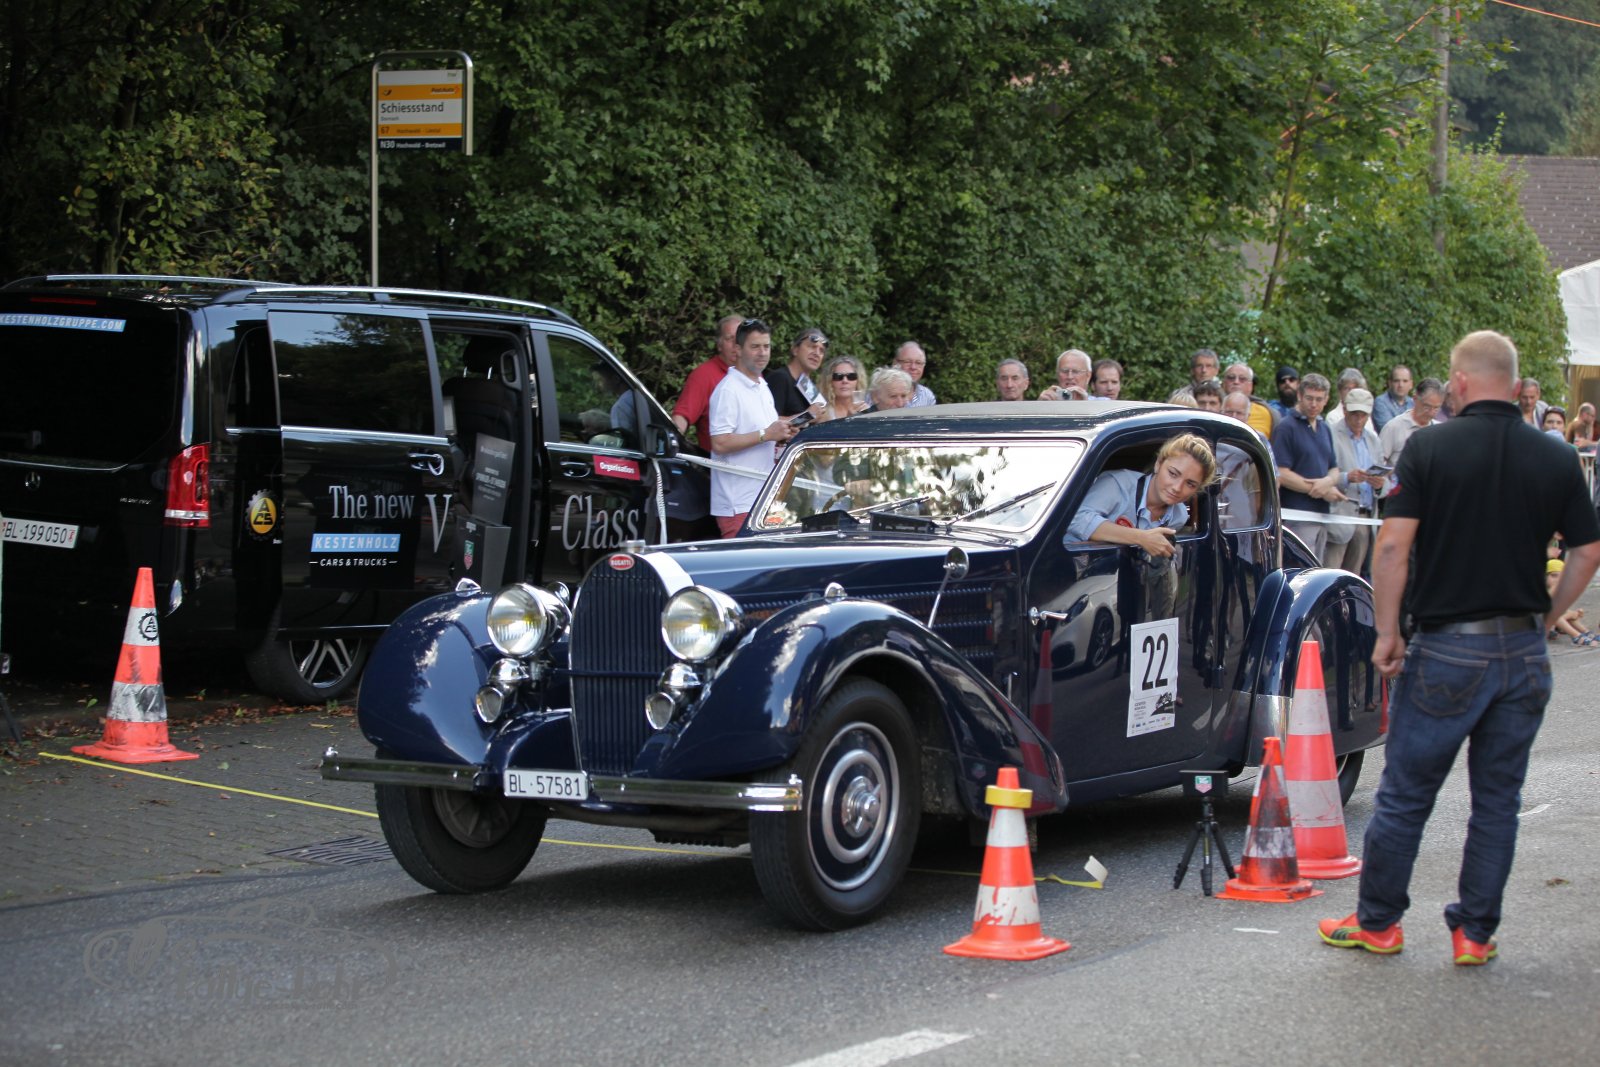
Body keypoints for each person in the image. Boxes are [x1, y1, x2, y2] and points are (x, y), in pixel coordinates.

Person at [1319, 329, 1600, 964]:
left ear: (1462, 382)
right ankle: (1474, 933)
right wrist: (1548, 616)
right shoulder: (1555, 455)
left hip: (1447, 648)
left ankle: (1379, 923)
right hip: (1522, 650)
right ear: (1517, 385)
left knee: (1406, 795)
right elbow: (1587, 551)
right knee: (1497, 801)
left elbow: (1393, 546)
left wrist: (1387, 632)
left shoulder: (1430, 447)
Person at [707, 318, 794, 537]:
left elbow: (764, 434)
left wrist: (782, 434)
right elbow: (719, 443)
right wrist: (767, 434)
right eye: (755, 346)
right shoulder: (728, 390)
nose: (762, 353)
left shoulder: (762, 385)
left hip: (765, 499)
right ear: (737, 349)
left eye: (766, 346)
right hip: (738, 505)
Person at [1064, 433, 1216, 554]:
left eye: (1190, 484)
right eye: (1173, 474)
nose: (1177, 488)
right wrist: (1141, 538)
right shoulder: (1117, 483)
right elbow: (1075, 519)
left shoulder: (1179, 516)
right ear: (1158, 464)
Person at [1271, 372, 1344, 560]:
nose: (1314, 404)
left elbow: (1334, 468)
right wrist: (1317, 489)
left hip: (1322, 515)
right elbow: (1281, 473)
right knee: (1299, 569)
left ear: (1326, 400)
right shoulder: (1286, 427)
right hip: (1296, 516)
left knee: (1317, 568)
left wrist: (1328, 483)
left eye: (1319, 399)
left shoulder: (1324, 428)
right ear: (1299, 396)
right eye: (1309, 398)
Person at [1324, 387, 1383, 576]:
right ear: (1345, 410)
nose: (1358, 419)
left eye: (1363, 415)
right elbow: (1321, 474)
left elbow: (1384, 478)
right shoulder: (1330, 433)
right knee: (1329, 574)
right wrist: (1346, 477)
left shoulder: (1373, 440)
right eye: (1354, 414)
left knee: (1353, 577)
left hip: (1365, 518)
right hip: (1339, 516)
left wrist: (1379, 485)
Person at [672, 314, 742, 443]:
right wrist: (670, 444)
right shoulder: (703, 375)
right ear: (719, 345)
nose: (735, 344)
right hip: (718, 454)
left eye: (740, 339)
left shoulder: (754, 375)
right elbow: (681, 417)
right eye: (730, 339)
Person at [1378, 377, 1444, 481]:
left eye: (1436, 408)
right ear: (1415, 398)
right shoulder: (1394, 427)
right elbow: (1377, 465)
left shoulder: (1440, 430)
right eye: (1427, 407)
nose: (1431, 413)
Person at [764, 327, 829, 418]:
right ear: (795, 350)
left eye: (821, 351)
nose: (817, 353)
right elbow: (769, 420)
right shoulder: (779, 378)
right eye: (812, 347)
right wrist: (807, 416)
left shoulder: (809, 385)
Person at [1545, 559, 1598, 644]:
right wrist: (1572, 614)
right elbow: (1549, 614)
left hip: (1549, 626)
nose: (1557, 580)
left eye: (1561, 577)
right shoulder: (1541, 591)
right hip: (1534, 627)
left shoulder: (1558, 591)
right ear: (1545, 576)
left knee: (1564, 614)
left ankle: (1586, 632)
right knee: (1557, 615)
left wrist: (1575, 613)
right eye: (1554, 576)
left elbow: (1560, 611)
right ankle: (1576, 636)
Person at [1221, 362, 1275, 435]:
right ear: (1224, 383)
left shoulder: (1262, 412)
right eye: (1231, 378)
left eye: (1242, 379)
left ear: (1250, 386)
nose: (1236, 382)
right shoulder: (1213, 404)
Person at [817, 355, 867, 421]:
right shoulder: (822, 412)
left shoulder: (867, 410)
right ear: (829, 381)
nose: (845, 381)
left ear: (858, 380)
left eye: (851, 376)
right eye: (838, 376)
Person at [1372, 365, 1414, 433]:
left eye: (1405, 381)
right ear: (1390, 383)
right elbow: (1389, 430)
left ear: (1411, 384)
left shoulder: (1414, 403)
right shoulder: (1381, 402)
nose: (1401, 385)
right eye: (1396, 381)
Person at [893, 342, 937, 406]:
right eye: (907, 362)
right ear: (895, 363)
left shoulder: (927, 396)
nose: (913, 367)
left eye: (918, 363)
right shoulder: (883, 392)